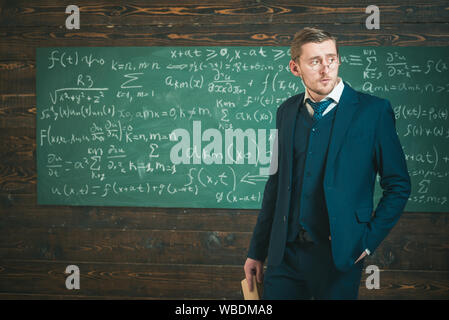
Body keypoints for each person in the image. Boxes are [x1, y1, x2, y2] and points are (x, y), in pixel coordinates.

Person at [243, 27, 411, 299]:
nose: (326, 69)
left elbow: (399, 185)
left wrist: (366, 243)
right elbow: (275, 185)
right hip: (283, 257)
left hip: (339, 256)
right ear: (295, 68)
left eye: (331, 59)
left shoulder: (373, 112)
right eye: (315, 61)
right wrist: (256, 251)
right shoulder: (286, 111)